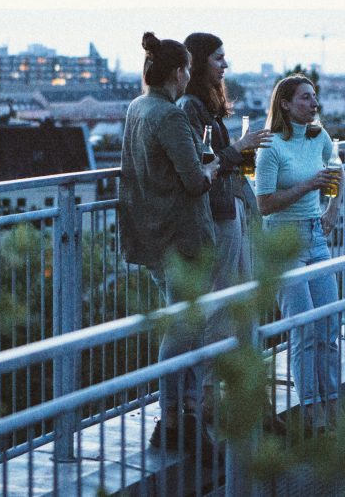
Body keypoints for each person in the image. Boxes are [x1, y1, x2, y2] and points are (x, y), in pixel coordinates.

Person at [118, 32, 220, 455]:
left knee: (186, 323)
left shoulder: (135, 108)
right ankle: (174, 417)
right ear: (179, 73)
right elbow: (195, 181)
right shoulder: (170, 116)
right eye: (188, 71)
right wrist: (213, 168)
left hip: (153, 232)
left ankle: (183, 414)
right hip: (182, 237)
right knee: (184, 328)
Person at [255, 74, 342, 431]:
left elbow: (337, 169)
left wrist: (332, 209)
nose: (314, 104)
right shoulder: (270, 146)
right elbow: (264, 204)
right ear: (286, 104)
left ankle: (333, 404)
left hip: (315, 238)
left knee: (329, 322)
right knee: (304, 328)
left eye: (315, 97)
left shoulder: (318, 136)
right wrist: (309, 185)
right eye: (306, 98)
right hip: (282, 243)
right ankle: (311, 410)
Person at [178, 32, 272, 297]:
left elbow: (215, 156)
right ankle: (219, 340)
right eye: (218, 59)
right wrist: (240, 147)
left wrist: (243, 152)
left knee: (238, 288)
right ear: (198, 63)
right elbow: (204, 162)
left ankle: (237, 339)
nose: (225, 65)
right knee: (223, 292)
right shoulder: (190, 106)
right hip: (217, 210)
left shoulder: (202, 105)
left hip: (228, 206)